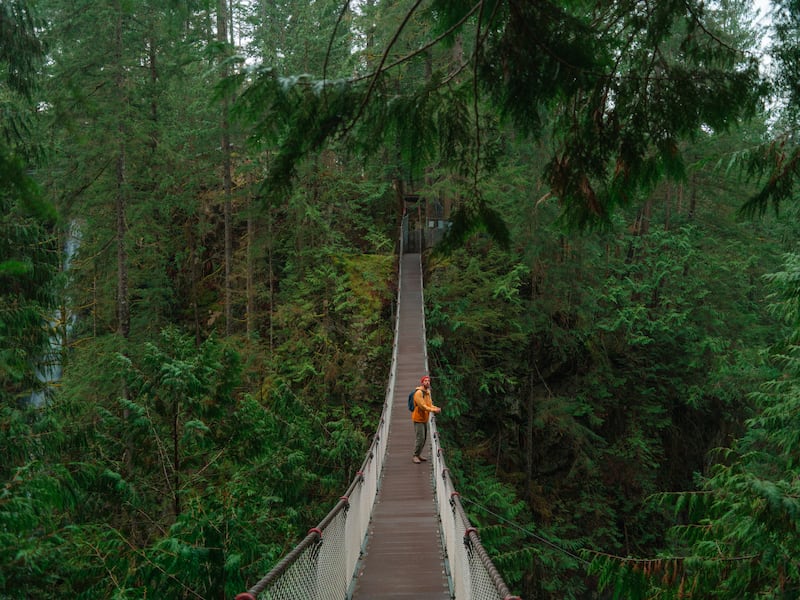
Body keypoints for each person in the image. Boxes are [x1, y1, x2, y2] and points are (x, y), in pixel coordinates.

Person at [411, 375, 441, 464]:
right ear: (422, 382)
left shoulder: (427, 392)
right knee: (420, 438)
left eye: (428, 381)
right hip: (418, 418)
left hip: (425, 418)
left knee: (424, 439)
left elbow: (429, 405)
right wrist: (433, 410)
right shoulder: (418, 393)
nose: (427, 382)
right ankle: (415, 455)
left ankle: (419, 454)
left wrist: (436, 408)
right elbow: (423, 406)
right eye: (425, 381)